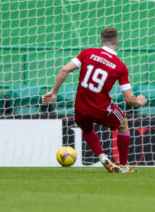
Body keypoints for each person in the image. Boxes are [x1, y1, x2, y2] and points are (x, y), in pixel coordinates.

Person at [42, 27, 147, 173]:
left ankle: (102, 156)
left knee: (86, 129)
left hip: (80, 107)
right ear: (118, 41)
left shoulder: (88, 52)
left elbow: (64, 70)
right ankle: (123, 166)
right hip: (101, 108)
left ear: (101, 41)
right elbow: (129, 99)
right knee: (123, 124)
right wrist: (140, 102)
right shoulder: (120, 66)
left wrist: (54, 92)